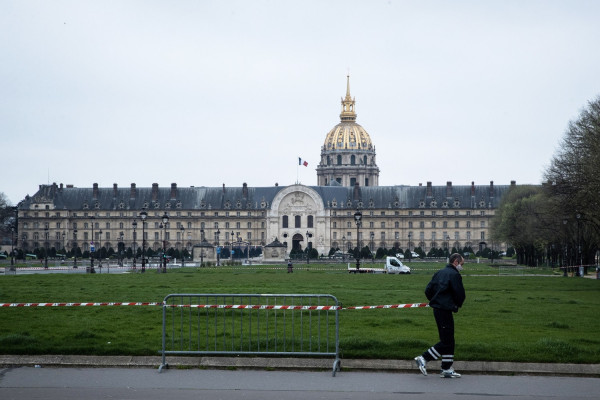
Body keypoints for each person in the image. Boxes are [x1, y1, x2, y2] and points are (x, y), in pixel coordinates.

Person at [415, 253, 466, 378]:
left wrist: (435, 300)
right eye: (462, 264)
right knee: (447, 341)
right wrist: (455, 305)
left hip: (438, 309)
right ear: (455, 262)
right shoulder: (454, 275)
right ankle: (423, 358)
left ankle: (447, 368)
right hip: (445, 309)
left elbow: (428, 290)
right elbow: (460, 294)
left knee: (449, 339)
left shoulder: (439, 272)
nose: (462, 267)